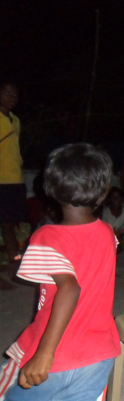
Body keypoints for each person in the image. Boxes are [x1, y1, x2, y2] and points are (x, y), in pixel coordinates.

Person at [0, 143, 121, 401]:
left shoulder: (46, 236)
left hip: (51, 353)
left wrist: (44, 353)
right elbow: (84, 265)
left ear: (49, 189)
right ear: (103, 192)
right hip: (97, 355)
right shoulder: (108, 233)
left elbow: (70, 288)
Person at [0, 82, 28, 290]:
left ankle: (14, 263)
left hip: (15, 179)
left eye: (15, 94)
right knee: (6, 223)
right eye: (8, 93)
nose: (12, 97)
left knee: (11, 223)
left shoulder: (15, 120)